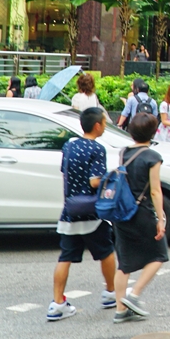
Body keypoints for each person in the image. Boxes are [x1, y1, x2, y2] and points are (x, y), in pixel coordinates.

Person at [48, 107, 116, 321]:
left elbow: (65, 171)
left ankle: (57, 303)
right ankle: (111, 293)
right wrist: (111, 177)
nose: (104, 126)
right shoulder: (97, 148)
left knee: (65, 257)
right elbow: (95, 181)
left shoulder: (69, 145)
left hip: (70, 211)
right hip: (91, 212)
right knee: (106, 251)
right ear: (97, 125)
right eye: (104, 123)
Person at [112, 113, 168, 323]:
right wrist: (161, 218)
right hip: (141, 212)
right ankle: (134, 295)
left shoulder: (123, 152)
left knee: (124, 264)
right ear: (153, 133)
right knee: (160, 255)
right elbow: (155, 191)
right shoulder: (152, 157)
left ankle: (120, 310)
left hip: (121, 212)